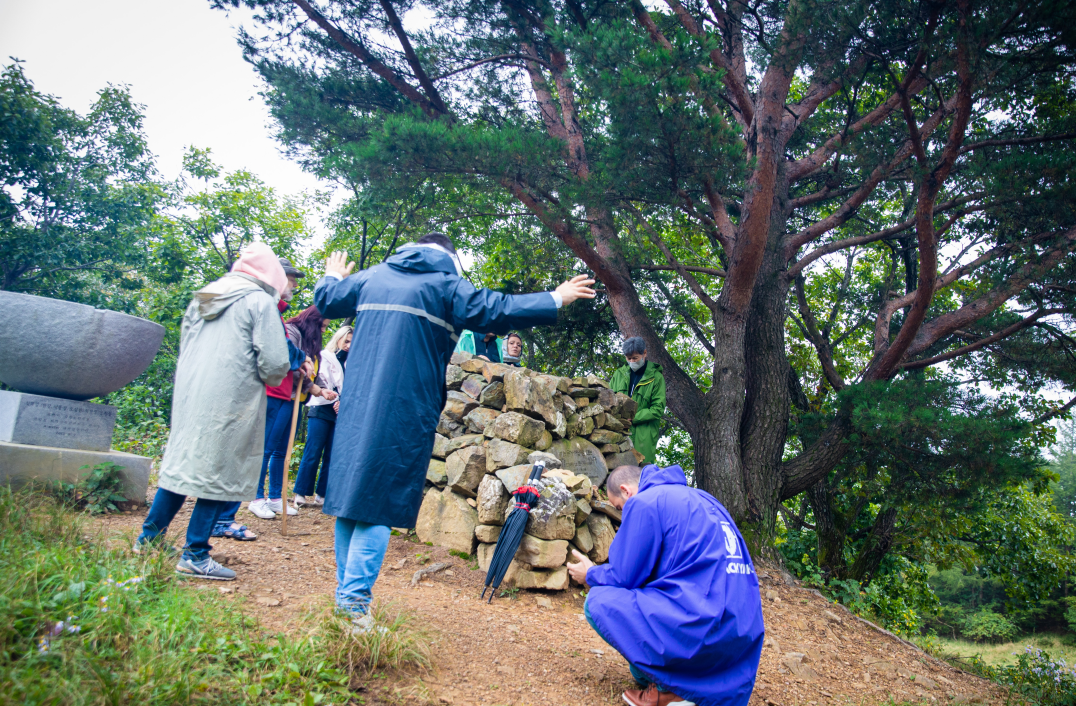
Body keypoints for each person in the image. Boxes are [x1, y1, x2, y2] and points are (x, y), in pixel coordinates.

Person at [314, 233, 595, 628]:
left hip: (356, 407)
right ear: (450, 257)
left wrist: (330, 276)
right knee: (378, 505)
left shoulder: (373, 277)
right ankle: (353, 607)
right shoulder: (444, 285)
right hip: (403, 411)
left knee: (351, 500)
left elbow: (327, 300)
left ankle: (346, 599)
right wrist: (554, 297)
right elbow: (496, 309)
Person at [135, 243, 292, 580]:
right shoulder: (259, 302)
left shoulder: (204, 297)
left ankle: (148, 538)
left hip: (192, 394)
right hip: (231, 398)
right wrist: (275, 375)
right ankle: (195, 554)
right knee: (217, 472)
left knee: (184, 466)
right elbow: (275, 362)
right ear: (271, 276)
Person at [567, 464, 764, 706]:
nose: (621, 513)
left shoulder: (645, 502)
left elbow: (625, 576)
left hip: (701, 624)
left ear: (626, 491)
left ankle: (673, 693)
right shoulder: (706, 499)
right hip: (743, 629)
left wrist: (590, 574)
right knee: (638, 673)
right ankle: (704, 690)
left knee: (597, 601)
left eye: (619, 507)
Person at [248, 304, 337, 519]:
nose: (324, 331)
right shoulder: (291, 332)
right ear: (313, 322)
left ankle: (276, 498)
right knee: (267, 447)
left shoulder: (311, 341)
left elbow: (312, 370)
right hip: (280, 395)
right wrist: (313, 387)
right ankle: (257, 497)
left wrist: (322, 388)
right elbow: (290, 366)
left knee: (282, 451)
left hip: (296, 400)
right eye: (322, 327)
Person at [292, 325, 352, 508]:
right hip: (320, 407)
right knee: (313, 450)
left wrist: (343, 401)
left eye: (352, 342)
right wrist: (333, 395)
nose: (349, 345)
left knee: (332, 454)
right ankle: (300, 493)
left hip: (339, 411)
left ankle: (322, 494)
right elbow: (321, 378)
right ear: (339, 339)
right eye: (346, 341)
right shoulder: (325, 355)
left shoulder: (351, 362)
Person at [609, 336, 666, 464]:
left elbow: (658, 409)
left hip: (643, 435)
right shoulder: (619, 374)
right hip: (620, 431)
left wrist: (634, 418)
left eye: (635, 358)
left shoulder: (656, 378)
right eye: (628, 358)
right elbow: (609, 401)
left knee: (641, 471)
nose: (632, 361)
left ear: (644, 353)